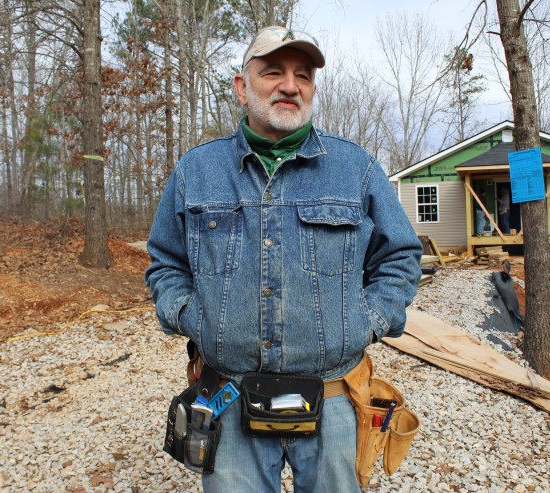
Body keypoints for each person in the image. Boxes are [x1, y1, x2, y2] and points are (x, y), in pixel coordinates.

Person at [146, 25, 422, 493]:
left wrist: (368, 321)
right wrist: (192, 316)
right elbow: (165, 262)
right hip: (228, 395)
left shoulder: (356, 169)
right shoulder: (196, 171)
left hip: (335, 397)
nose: (291, 85)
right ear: (242, 87)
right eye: (273, 72)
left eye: (303, 75)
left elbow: (400, 256)